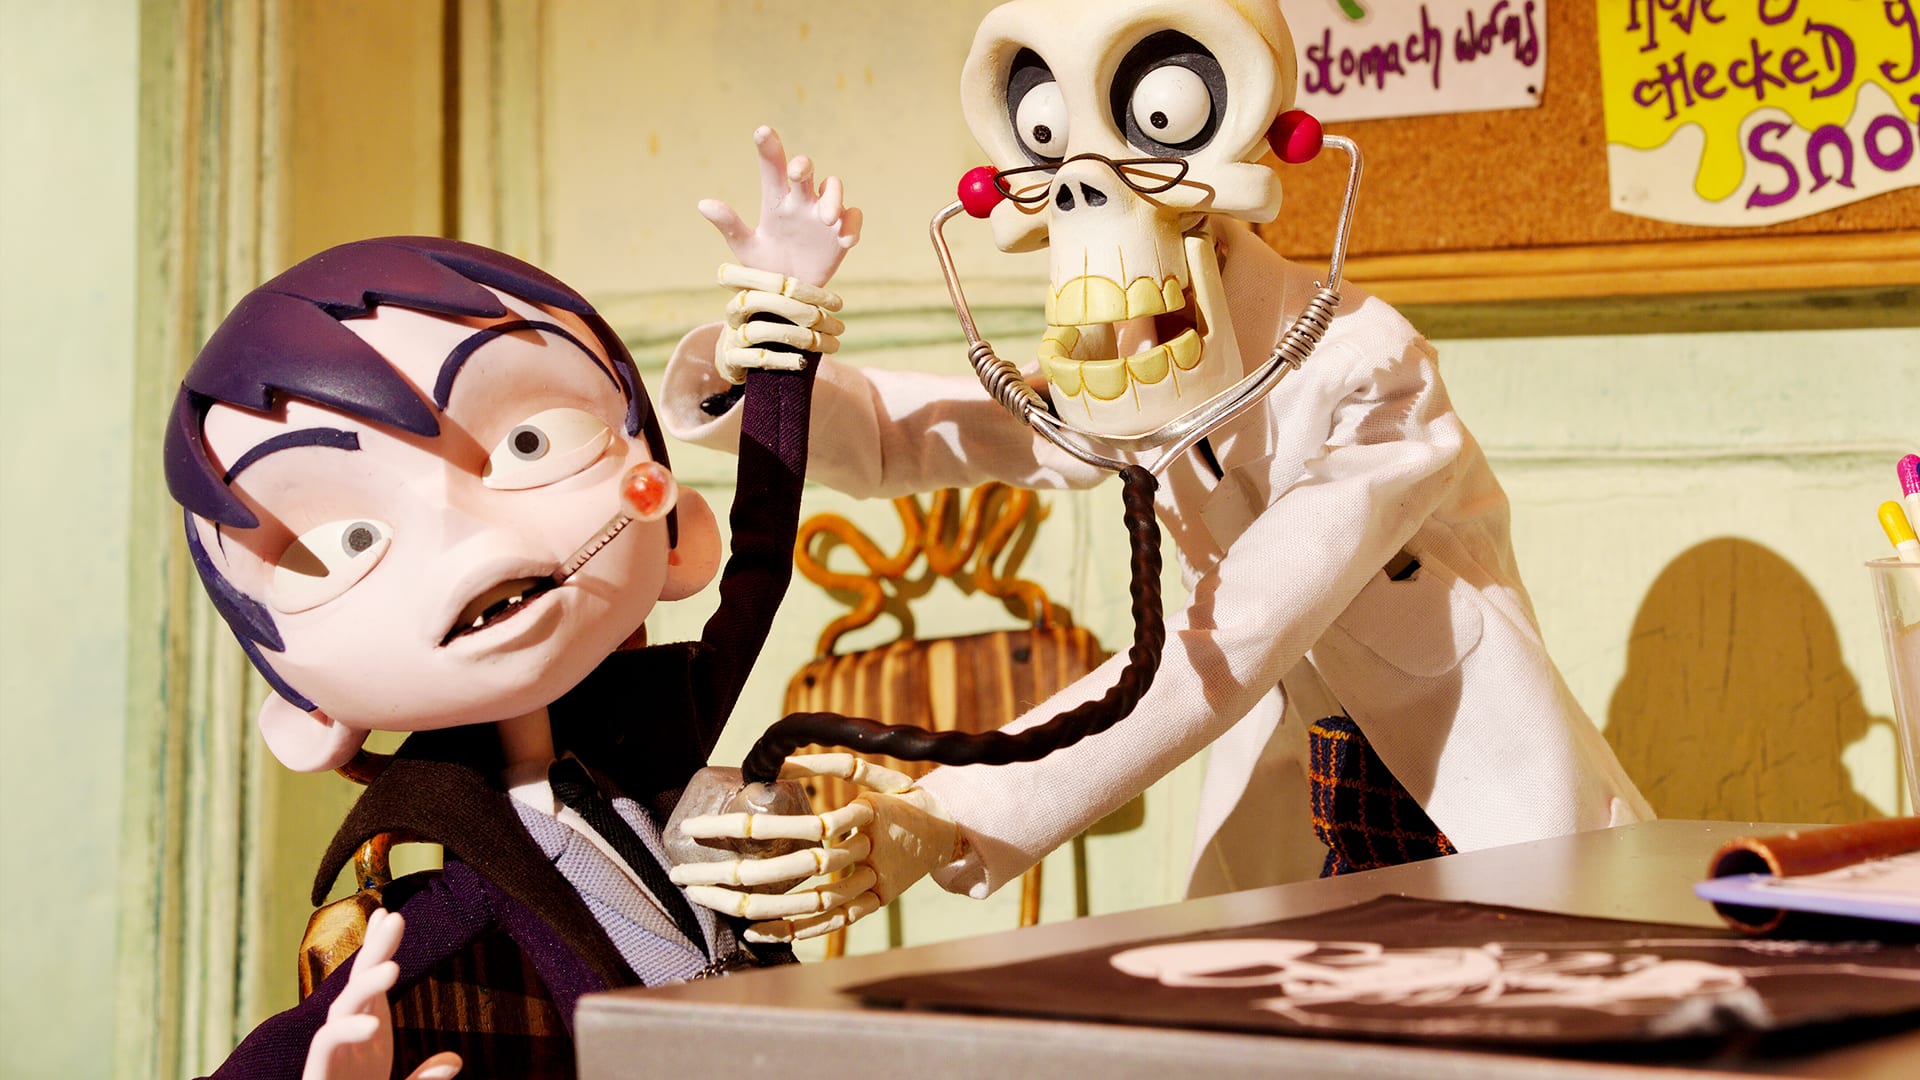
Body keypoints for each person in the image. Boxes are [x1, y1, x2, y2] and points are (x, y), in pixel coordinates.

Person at [658, 0, 1653, 943]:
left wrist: (946, 817)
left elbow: (1231, 636)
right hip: (1313, 801)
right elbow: (907, 437)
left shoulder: (1369, 370)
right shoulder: (1146, 363)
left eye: (1154, 117)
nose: (1086, 189)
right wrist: (766, 369)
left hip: (1469, 799)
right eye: (1048, 138)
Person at [166, 133, 858, 1078]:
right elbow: (292, 1041)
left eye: (531, 443)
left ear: (675, 534)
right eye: (346, 542)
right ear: (304, 713)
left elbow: (761, 564)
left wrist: (784, 329)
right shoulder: (451, 899)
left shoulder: (661, 733)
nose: (474, 537)